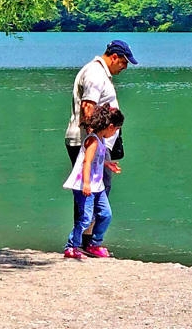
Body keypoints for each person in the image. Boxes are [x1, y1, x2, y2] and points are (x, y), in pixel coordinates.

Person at [65, 39, 136, 247]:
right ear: (114, 57)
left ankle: (86, 241)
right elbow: (88, 108)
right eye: (124, 63)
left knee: (96, 190)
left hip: (97, 143)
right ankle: (84, 242)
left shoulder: (100, 73)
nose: (124, 67)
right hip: (90, 142)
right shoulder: (96, 74)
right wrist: (95, 141)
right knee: (91, 192)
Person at [62, 104, 124, 259]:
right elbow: (87, 162)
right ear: (110, 126)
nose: (116, 132)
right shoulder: (93, 141)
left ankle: (94, 244)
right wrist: (87, 184)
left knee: (105, 214)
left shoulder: (101, 139)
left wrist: (108, 164)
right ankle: (71, 246)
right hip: (85, 185)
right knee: (86, 218)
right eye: (116, 129)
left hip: (98, 186)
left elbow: (97, 160)